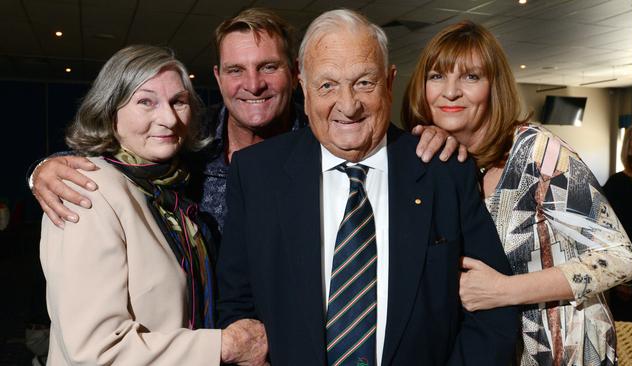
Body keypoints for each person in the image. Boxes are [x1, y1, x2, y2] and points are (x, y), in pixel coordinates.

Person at [217, 9, 519, 366]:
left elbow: (492, 315)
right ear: (304, 86)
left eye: (364, 83)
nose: (348, 105)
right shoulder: (256, 175)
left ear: (390, 82)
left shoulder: (444, 171)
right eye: (327, 85)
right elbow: (236, 305)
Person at [29, 8, 462, 235]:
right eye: (236, 70)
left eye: (267, 67)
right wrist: (42, 171)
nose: (252, 85)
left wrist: (435, 134)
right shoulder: (188, 138)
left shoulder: (328, 139)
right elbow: (115, 156)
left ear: (295, 75)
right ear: (218, 78)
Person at [402, 20, 632, 366]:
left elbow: (620, 258)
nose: (450, 91)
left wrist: (503, 291)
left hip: (566, 352)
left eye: (470, 77)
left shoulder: (537, 152)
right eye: (437, 76)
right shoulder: (444, 165)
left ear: (493, 87)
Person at [39, 45, 267, 365]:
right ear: (109, 109)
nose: (169, 118)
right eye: (146, 101)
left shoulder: (167, 187)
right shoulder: (87, 191)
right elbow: (94, 352)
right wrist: (224, 345)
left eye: (178, 102)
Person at [604, 119, 632, 323]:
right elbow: (605, 235)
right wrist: (621, 279)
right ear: (629, 149)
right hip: (629, 284)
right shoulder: (616, 186)